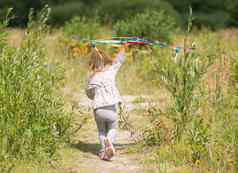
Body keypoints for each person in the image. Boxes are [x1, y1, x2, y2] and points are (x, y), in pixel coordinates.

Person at [85, 44, 128, 161]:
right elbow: (118, 62)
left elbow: (88, 93)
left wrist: (95, 95)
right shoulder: (110, 72)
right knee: (113, 128)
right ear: (107, 63)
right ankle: (109, 141)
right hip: (111, 108)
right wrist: (123, 48)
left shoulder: (92, 78)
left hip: (98, 109)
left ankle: (104, 151)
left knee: (101, 131)